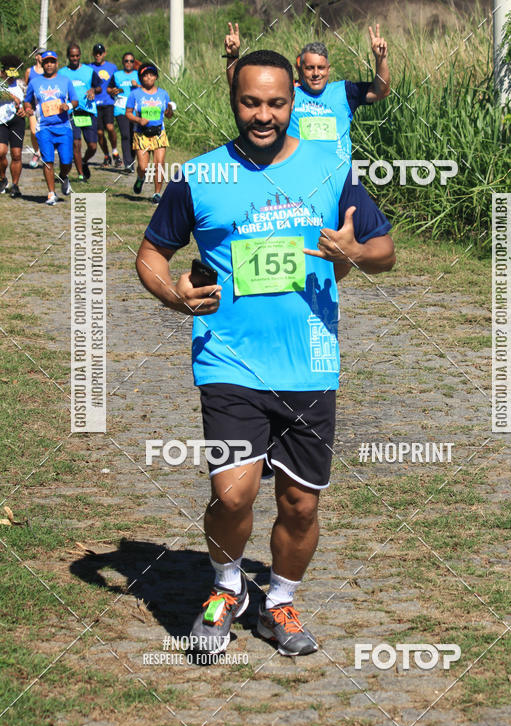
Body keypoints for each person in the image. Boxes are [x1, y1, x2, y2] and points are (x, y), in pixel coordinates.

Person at [135, 50, 395, 658]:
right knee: (232, 494)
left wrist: (354, 253)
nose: (264, 115)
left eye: (276, 103)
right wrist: (174, 295)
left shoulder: (331, 171)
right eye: (252, 102)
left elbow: (384, 248)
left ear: (292, 105)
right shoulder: (200, 176)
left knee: (300, 504)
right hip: (228, 360)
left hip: (309, 361)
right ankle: (227, 587)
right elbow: (150, 256)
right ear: (234, 98)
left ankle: (280, 599)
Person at [224, 22, 390, 166]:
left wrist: (380, 59)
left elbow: (381, 91)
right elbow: (239, 90)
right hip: (300, 176)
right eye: (309, 68)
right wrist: (233, 57)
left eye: (321, 68)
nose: (316, 73)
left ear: (328, 69)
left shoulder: (344, 92)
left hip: (339, 176)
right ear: (299, 69)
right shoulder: (289, 94)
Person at [23, 51, 78, 205]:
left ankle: (64, 176)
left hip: (64, 126)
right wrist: (28, 108)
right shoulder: (35, 82)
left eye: (52, 62)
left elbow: (75, 100)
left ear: (56, 63)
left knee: (67, 161)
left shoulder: (65, 81)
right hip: (44, 128)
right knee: (48, 161)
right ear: (42, 63)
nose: (49, 64)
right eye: (46, 62)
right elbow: (27, 101)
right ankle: (51, 193)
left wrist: (68, 105)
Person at [126, 63, 173, 203]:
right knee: (143, 167)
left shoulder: (163, 94)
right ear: (140, 77)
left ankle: (157, 193)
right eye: (145, 75)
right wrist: (139, 120)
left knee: (159, 164)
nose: (148, 77)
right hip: (141, 134)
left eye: (151, 74)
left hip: (159, 133)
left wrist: (170, 111)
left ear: (156, 76)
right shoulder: (134, 94)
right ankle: (141, 178)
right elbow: (128, 114)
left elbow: (168, 114)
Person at [58, 43, 101, 181]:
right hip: (71, 112)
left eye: (77, 55)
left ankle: (84, 160)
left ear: (80, 55)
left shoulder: (89, 71)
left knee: (93, 146)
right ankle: (81, 174)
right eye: (72, 56)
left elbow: (99, 87)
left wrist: (93, 90)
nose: (75, 58)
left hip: (88, 111)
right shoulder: (62, 73)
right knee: (76, 143)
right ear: (68, 57)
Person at [107, 52, 140, 173]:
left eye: (131, 61)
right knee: (125, 135)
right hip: (121, 109)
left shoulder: (138, 75)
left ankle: (131, 161)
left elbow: (147, 88)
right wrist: (113, 91)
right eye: (126, 61)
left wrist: (138, 85)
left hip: (135, 111)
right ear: (123, 62)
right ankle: (128, 164)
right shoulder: (117, 75)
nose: (129, 63)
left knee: (134, 136)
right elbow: (109, 89)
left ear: (134, 63)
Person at [89, 43, 120, 167]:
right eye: (96, 53)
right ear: (93, 54)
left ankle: (115, 152)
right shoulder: (89, 68)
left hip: (108, 102)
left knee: (110, 127)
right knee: (100, 133)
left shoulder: (112, 67)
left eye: (100, 53)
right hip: (94, 104)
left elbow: (116, 83)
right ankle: (106, 156)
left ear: (104, 54)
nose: (98, 55)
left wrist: (115, 91)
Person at [0, 55, 26, 198]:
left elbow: (30, 103)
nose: (11, 79)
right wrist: (12, 97)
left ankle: (15, 185)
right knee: (1, 152)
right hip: (1, 121)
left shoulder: (21, 84)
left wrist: (26, 110)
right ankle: (2, 178)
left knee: (16, 155)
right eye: (7, 75)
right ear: (2, 71)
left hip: (17, 121)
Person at [24, 47, 44, 167]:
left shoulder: (49, 71)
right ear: (36, 56)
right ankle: (37, 152)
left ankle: (41, 153)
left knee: (44, 131)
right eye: (41, 55)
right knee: (33, 131)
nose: (43, 57)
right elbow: (25, 87)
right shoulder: (29, 71)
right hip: (32, 105)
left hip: (45, 106)